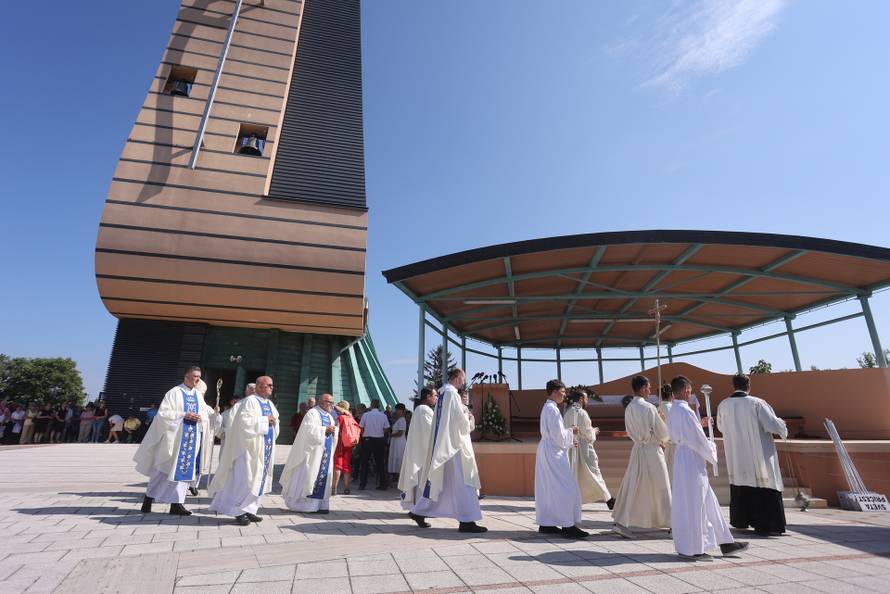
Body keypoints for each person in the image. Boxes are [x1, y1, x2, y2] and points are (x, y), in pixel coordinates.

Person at [408, 368, 487, 533]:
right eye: (463, 379)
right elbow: (459, 421)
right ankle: (467, 521)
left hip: (446, 445)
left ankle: (418, 511)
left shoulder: (443, 393)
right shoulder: (452, 394)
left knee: (443, 483)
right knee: (465, 482)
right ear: (457, 377)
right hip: (455, 446)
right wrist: (470, 418)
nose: (464, 382)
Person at [134, 367, 217, 516]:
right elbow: (163, 414)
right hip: (175, 438)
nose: (198, 379)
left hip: (191, 439)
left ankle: (176, 504)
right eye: (195, 376)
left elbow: (204, 413)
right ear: (186, 376)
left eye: (199, 377)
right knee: (163, 470)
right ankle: (148, 499)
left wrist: (210, 416)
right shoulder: (174, 393)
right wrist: (184, 414)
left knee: (184, 471)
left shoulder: (198, 395)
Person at [717, 373, 788, 536]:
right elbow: (771, 425)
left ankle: (741, 519)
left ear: (733, 385)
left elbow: (721, 427)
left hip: (737, 455)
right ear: (748, 385)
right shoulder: (757, 403)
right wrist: (782, 424)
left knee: (741, 482)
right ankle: (767, 523)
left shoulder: (724, 405)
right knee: (763, 483)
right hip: (758, 455)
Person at [209, 376, 279, 525]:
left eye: (272, 385)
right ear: (259, 386)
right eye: (269, 385)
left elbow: (275, 421)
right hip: (248, 449)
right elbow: (244, 423)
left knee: (258, 479)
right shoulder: (249, 402)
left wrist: (273, 421)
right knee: (245, 480)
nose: (271, 388)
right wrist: (266, 420)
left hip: (264, 448)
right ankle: (238, 511)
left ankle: (249, 509)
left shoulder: (270, 404)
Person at [612, 375, 671, 538]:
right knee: (662, 485)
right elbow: (663, 433)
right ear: (643, 388)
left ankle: (621, 521)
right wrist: (663, 422)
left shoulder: (629, 407)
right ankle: (673, 524)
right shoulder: (649, 408)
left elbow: (630, 430)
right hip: (652, 450)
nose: (650, 391)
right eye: (649, 388)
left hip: (638, 449)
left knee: (633, 484)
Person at [536, 380, 588, 538]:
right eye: (563, 392)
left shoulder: (547, 407)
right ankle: (567, 524)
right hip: (554, 452)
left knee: (549, 488)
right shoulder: (553, 410)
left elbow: (555, 433)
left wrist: (568, 434)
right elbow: (559, 436)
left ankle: (547, 523)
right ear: (554, 391)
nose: (565, 395)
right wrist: (572, 431)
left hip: (546, 450)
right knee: (567, 487)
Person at [281, 392, 338, 513]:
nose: (332, 405)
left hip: (325, 452)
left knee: (322, 477)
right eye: (329, 402)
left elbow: (332, 432)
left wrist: (334, 431)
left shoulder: (329, 416)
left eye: (332, 402)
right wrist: (324, 429)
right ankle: (307, 506)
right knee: (310, 476)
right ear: (321, 402)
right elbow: (308, 431)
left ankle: (321, 505)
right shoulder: (312, 413)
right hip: (313, 453)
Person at [564, 390, 614, 509]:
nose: (587, 401)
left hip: (571, 447)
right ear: (581, 399)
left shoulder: (568, 413)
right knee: (594, 473)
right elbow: (587, 433)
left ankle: (573, 500)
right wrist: (594, 431)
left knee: (575, 475)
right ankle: (609, 500)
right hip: (583, 448)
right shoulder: (582, 413)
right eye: (586, 399)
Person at [399, 387, 437, 515]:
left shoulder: (421, 409)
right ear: (428, 396)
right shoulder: (423, 410)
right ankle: (419, 509)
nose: (436, 398)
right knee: (422, 480)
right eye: (435, 396)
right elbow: (429, 430)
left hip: (421, 451)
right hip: (422, 453)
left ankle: (419, 508)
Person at [358, 399, 390, 490]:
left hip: (368, 440)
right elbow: (387, 428)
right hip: (379, 440)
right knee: (380, 462)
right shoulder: (383, 415)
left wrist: (364, 434)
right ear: (379, 406)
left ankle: (362, 484)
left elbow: (361, 427)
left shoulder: (366, 415)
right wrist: (380, 432)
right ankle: (383, 484)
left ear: (371, 405)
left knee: (364, 462)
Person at [332, 400, 359, 495]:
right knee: (346, 465)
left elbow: (336, 431)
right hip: (349, 444)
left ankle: (334, 488)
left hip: (340, 443)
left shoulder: (340, 418)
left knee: (338, 465)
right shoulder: (351, 418)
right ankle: (347, 488)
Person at [387, 404, 408, 484]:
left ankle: (399, 478)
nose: (396, 411)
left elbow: (400, 433)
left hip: (399, 442)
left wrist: (390, 435)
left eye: (397, 410)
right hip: (396, 442)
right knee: (395, 458)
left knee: (399, 458)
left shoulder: (402, 420)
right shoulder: (399, 419)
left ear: (401, 410)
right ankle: (396, 477)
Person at [658, 384, 676, 479]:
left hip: (660, 446)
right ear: (672, 394)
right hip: (674, 444)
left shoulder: (656, 409)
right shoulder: (674, 408)